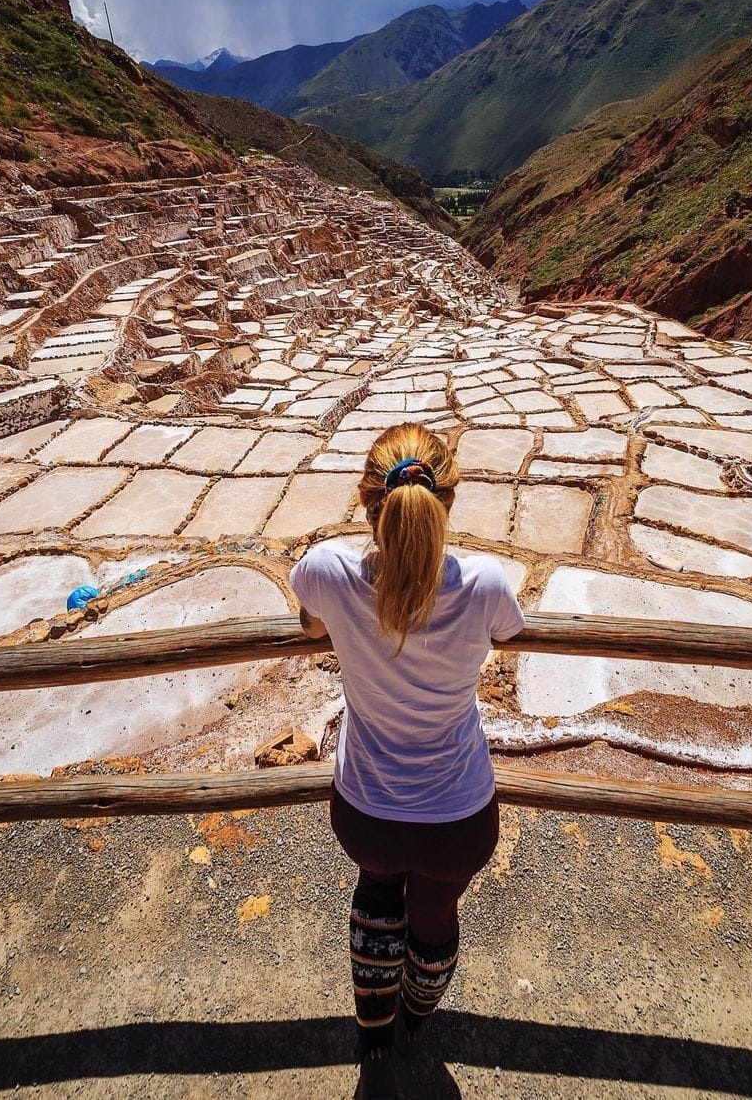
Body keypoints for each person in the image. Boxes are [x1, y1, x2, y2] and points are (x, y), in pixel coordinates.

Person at [290, 423, 525, 1098]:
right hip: (459, 818)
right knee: (435, 918)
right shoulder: (484, 582)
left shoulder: (328, 571)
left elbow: (309, 622)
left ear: (367, 499)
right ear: (446, 503)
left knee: (375, 896)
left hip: (365, 809)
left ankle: (373, 1039)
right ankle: (416, 1027)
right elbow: (511, 633)